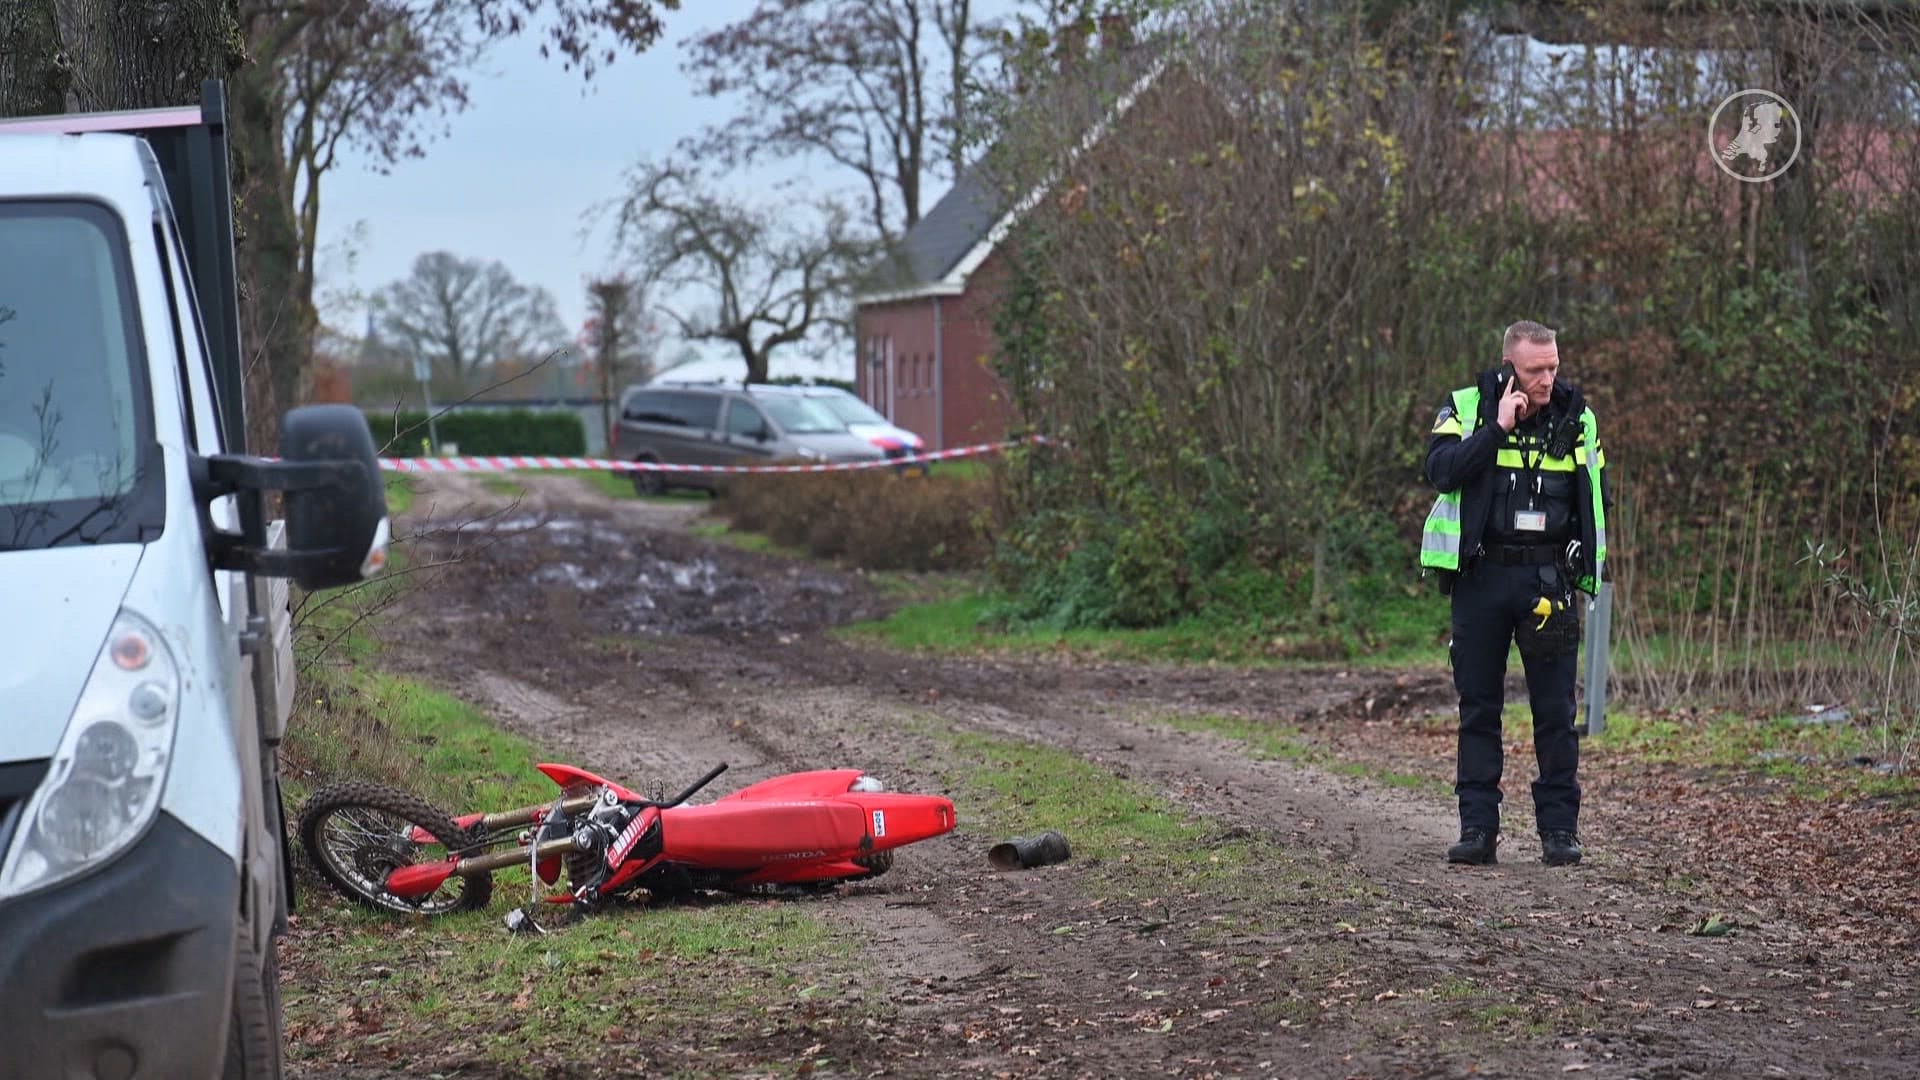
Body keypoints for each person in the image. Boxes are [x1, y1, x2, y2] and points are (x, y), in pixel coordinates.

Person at [1419, 320, 1611, 867]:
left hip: (1547, 580)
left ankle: (1559, 832)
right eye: (1536, 370)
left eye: (1553, 366)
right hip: (1482, 579)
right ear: (1510, 369)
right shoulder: (1466, 407)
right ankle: (1478, 829)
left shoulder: (1578, 418)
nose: (1548, 378)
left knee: (1555, 711)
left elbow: (1597, 496)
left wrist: (1579, 563)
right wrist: (1497, 428)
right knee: (1479, 708)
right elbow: (1441, 471)